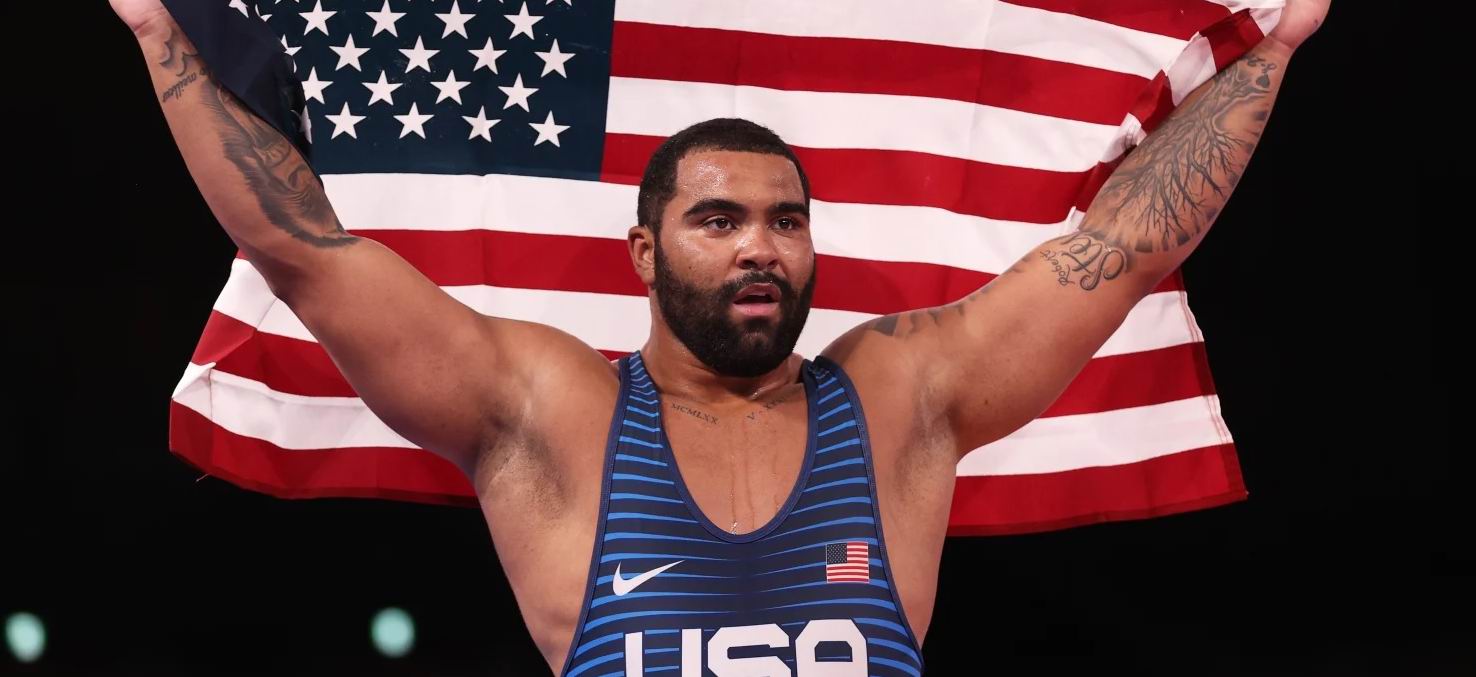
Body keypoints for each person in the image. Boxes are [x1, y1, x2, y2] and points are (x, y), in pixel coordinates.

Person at [109, 0, 1329, 673]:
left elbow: (1122, 246)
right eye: (718, 219)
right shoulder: (551, 412)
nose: (761, 246)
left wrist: (1270, 52)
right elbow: (308, 251)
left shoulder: (898, 396)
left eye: (786, 220)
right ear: (644, 253)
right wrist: (166, 36)